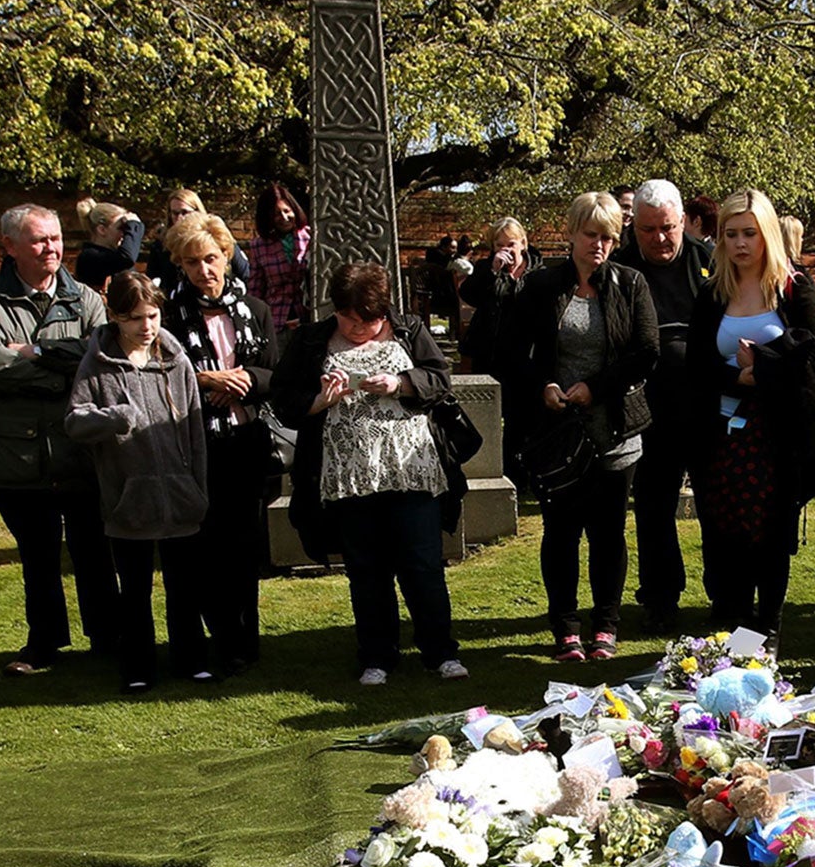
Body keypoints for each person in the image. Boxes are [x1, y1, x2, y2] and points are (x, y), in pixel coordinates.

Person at [274, 262, 465, 685]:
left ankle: (440, 652)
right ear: (335, 309)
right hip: (349, 477)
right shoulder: (311, 340)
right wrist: (321, 400)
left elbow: (440, 380)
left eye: (369, 320)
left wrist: (400, 384)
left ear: (384, 311)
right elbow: (284, 400)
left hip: (411, 470)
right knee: (366, 569)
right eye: (349, 319)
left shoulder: (410, 330)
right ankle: (377, 656)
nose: (359, 328)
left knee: (422, 566)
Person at [0, 202, 120, 675]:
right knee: (38, 556)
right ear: (10, 247)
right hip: (20, 455)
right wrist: (64, 364)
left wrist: (34, 351)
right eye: (38, 239)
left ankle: (108, 637)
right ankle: (44, 642)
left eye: (55, 238)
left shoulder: (87, 299)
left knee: (94, 551)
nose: (50, 248)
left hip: (81, 452)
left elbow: (100, 365)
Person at [684, 189, 815, 641]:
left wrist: (765, 372)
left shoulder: (792, 287)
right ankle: (733, 629)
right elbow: (696, 364)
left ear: (767, 234)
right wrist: (742, 380)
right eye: (730, 234)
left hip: (779, 434)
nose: (740, 243)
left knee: (770, 537)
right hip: (721, 433)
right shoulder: (714, 292)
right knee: (725, 532)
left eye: (749, 233)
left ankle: (766, 630)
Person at [509, 190, 657, 661]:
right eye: (590, 235)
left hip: (613, 430)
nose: (599, 245)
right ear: (571, 232)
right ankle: (566, 627)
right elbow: (510, 354)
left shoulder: (631, 284)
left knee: (609, 534)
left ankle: (606, 627)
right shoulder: (539, 286)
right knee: (560, 533)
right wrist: (545, 386)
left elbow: (646, 351)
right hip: (558, 434)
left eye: (609, 237)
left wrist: (597, 386)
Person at [63, 271, 210, 692]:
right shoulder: (97, 363)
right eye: (133, 319)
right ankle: (138, 666)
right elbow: (74, 421)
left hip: (180, 494)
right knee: (135, 591)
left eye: (152, 315)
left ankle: (190, 659)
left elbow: (194, 432)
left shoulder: (177, 361)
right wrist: (115, 417)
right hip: (129, 499)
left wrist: (198, 488)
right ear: (113, 317)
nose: (146, 327)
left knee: (184, 586)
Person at [161, 212, 276, 674]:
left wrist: (247, 378)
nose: (203, 271)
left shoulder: (257, 310)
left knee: (244, 547)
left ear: (226, 256)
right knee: (205, 548)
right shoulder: (169, 315)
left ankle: (245, 638)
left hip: (245, 441)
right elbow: (159, 374)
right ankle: (217, 637)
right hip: (194, 444)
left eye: (210, 259)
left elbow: (275, 373)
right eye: (191, 263)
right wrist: (205, 377)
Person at [613, 179, 716, 633]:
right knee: (654, 506)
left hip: (706, 404)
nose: (659, 239)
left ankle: (725, 592)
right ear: (633, 227)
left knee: (717, 504)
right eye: (648, 229)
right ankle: (660, 596)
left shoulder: (708, 262)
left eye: (668, 228)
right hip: (647, 409)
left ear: (683, 224)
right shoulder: (618, 269)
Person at [459, 216, 536, 381]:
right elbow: (468, 295)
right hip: (490, 350)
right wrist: (492, 272)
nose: (506, 250)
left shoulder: (537, 272)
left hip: (525, 351)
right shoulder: (485, 268)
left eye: (511, 244)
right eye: (499, 245)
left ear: (522, 244)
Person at [144, 189, 250, 288]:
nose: (179, 218)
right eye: (175, 213)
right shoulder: (161, 245)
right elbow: (151, 280)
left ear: (197, 211)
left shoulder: (215, 237)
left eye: (185, 212)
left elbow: (245, 273)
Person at [247, 183, 312, 331]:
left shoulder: (310, 237)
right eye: (277, 214)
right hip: (277, 319)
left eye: (287, 211)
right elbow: (255, 289)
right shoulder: (259, 246)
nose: (284, 217)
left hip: (308, 315)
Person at [74, 200, 142, 292]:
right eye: (121, 228)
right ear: (102, 230)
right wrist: (134, 226)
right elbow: (127, 258)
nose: (125, 233)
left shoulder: (117, 256)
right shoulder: (89, 257)